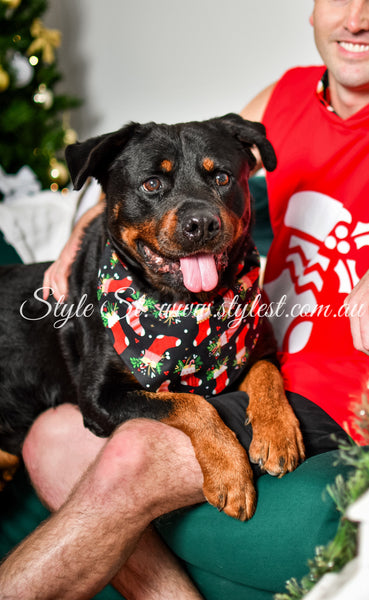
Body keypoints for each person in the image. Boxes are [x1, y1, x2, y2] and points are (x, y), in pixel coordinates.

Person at [1, 0, 369, 598]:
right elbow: (165, 166)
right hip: (247, 346)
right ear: (312, 11)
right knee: (51, 440)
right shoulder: (291, 96)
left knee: (130, 457)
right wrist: (81, 233)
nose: (356, 18)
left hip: (342, 389)